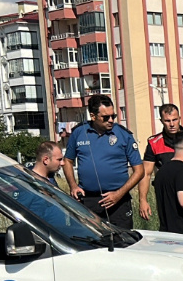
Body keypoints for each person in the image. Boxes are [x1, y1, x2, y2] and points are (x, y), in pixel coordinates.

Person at [62, 94, 145, 229]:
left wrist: (119, 194)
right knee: (91, 243)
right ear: (93, 116)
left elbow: (139, 170)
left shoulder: (124, 135)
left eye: (113, 116)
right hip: (88, 199)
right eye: (106, 117)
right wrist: (73, 185)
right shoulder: (79, 132)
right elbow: (68, 160)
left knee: (122, 242)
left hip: (118, 200)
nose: (111, 120)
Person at [136, 103, 183, 222]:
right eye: (167, 121)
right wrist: (143, 200)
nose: (172, 124)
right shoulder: (154, 143)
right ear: (161, 121)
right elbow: (145, 174)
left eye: (174, 120)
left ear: (180, 119)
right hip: (165, 196)